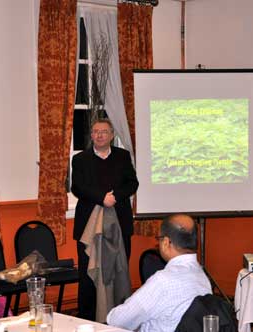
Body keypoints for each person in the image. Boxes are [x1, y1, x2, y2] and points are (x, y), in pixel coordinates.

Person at [71, 118, 139, 321]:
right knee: (88, 275)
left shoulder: (123, 156)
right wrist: (101, 198)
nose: (99, 135)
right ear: (91, 135)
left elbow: (132, 183)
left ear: (112, 135)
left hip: (120, 223)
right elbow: (77, 187)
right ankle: (87, 318)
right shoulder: (81, 159)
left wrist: (115, 197)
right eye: (95, 132)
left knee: (119, 270)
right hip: (89, 227)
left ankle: (118, 316)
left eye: (103, 131)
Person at [106, 214, 212, 332]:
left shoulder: (163, 280)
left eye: (159, 239)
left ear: (166, 242)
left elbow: (118, 320)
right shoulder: (202, 276)